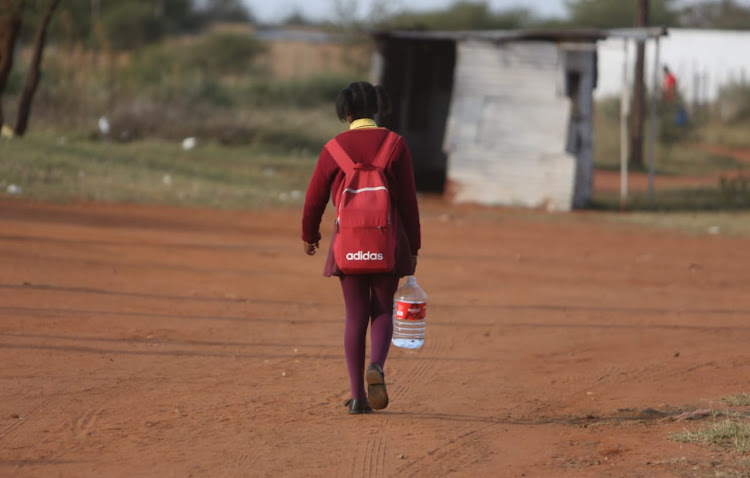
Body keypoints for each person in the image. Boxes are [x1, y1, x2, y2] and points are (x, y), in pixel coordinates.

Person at [301, 81, 421, 415]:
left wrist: (310, 236)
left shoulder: (334, 148)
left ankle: (357, 397)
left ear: (347, 111)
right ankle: (377, 367)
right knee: (383, 310)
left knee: (355, 315)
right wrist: (414, 247)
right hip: (387, 241)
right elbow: (409, 202)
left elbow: (314, 200)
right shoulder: (395, 145)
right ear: (378, 108)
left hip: (348, 242)